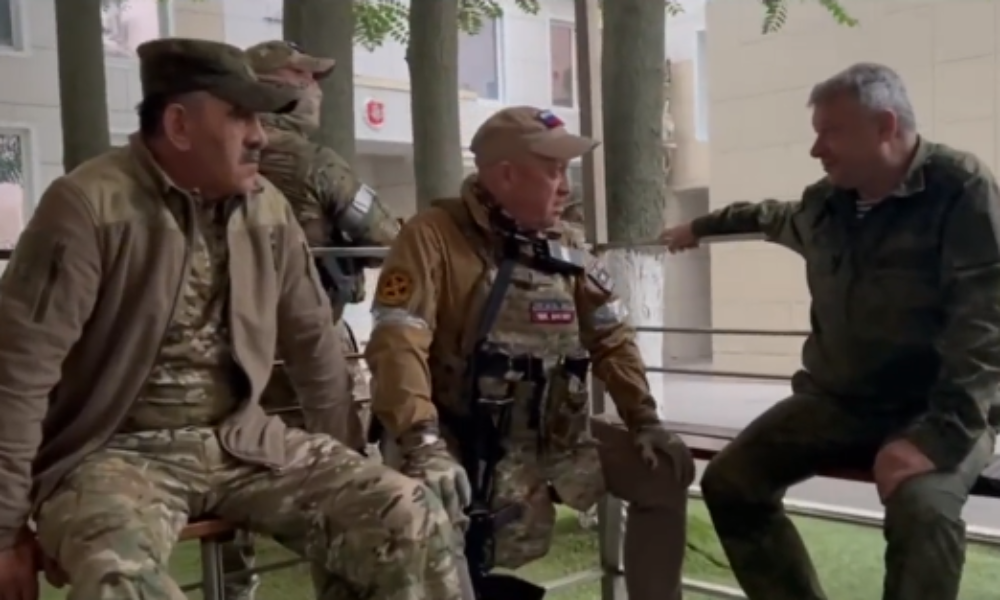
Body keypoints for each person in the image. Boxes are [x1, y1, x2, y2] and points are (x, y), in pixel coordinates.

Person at [0, 38, 461, 600]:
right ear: (179, 125)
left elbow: (314, 346)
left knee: (407, 513)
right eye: (240, 115)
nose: (259, 135)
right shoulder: (88, 206)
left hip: (244, 441)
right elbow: (18, 373)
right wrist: (5, 531)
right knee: (121, 580)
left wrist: (346, 465)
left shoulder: (266, 207)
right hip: (112, 454)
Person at [662, 62, 1000, 600]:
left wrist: (934, 442)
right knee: (731, 483)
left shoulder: (961, 190)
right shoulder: (825, 204)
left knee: (924, 510)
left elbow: (984, 330)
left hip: (939, 408)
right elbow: (769, 215)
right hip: (837, 402)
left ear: (885, 125)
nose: (816, 149)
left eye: (831, 132)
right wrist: (697, 227)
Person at [365, 105, 696, 600]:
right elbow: (397, 345)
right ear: (506, 175)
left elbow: (611, 337)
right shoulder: (432, 236)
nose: (565, 187)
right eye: (554, 171)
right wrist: (423, 442)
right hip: (459, 436)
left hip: (552, 437)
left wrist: (644, 420)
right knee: (430, 521)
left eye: (566, 171)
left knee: (664, 473)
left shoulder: (567, 245)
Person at [214, 40, 401, 600]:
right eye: (307, 76)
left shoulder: (212, 155)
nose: (317, 89)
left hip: (222, 353)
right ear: (280, 87)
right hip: (305, 351)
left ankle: (234, 588)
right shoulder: (311, 161)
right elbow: (388, 237)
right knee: (337, 477)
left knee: (228, 475)